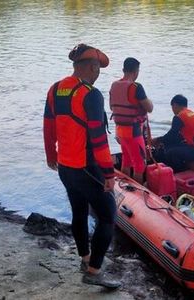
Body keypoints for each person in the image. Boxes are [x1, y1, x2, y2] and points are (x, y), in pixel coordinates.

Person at [43, 43, 120, 289]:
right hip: (88, 167)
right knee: (108, 216)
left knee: (79, 210)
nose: (98, 74)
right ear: (91, 66)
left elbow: (48, 126)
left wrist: (50, 155)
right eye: (97, 68)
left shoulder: (56, 89)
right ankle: (94, 271)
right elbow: (98, 138)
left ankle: (85, 258)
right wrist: (108, 173)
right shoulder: (91, 94)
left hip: (65, 166)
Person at [109, 57, 153, 183]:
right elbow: (149, 108)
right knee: (140, 165)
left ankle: (125, 185)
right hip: (133, 131)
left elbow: (111, 107)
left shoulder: (114, 85)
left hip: (120, 130)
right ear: (136, 71)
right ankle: (137, 192)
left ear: (123, 70)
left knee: (126, 160)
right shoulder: (136, 87)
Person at [152, 94, 194, 172]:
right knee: (174, 145)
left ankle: (179, 172)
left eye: (172, 107)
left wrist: (157, 140)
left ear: (174, 105)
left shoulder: (179, 116)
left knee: (172, 153)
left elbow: (172, 135)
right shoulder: (191, 114)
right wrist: (163, 140)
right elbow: (179, 136)